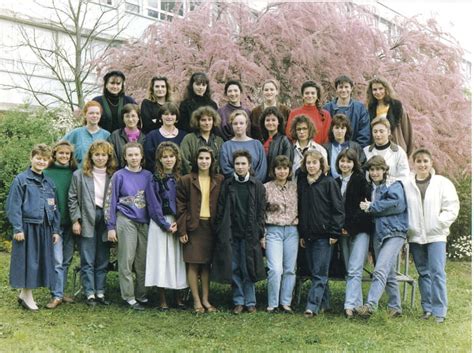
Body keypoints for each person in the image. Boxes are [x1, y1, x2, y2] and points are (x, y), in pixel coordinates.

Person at [403, 148, 459, 323]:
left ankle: (439, 311)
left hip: (436, 236)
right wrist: (409, 227)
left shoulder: (442, 183)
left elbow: (452, 206)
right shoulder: (406, 184)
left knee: (437, 272)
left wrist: (440, 223)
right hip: (416, 235)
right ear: (414, 164)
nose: (422, 164)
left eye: (425, 161)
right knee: (423, 272)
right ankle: (427, 309)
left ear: (431, 163)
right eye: (418, 161)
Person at [7, 144, 60, 311]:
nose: (41, 162)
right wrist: (17, 228)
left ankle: (25, 294)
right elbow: (13, 206)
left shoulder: (49, 182)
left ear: (48, 161)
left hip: (44, 227)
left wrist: (56, 230)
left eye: (44, 159)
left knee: (38, 261)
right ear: (32, 158)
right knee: (28, 261)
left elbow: (55, 208)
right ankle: (27, 296)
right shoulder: (21, 180)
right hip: (27, 227)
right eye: (38, 158)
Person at [212, 150, 266, 314]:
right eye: (237, 164)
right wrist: (221, 230)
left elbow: (261, 212)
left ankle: (250, 302)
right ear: (233, 166)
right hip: (231, 234)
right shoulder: (228, 185)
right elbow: (221, 209)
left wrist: (259, 231)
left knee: (248, 267)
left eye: (243, 163)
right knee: (234, 267)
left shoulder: (257, 186)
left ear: (249, 165)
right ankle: (238, 300)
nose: (240, 167)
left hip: (250, 234)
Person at [356, 155, 408, 317]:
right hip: (380, 234)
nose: (375, 172)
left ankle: (370, 306)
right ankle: (395, 307)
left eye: (378, 169)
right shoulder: (371, 188)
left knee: (380, 269)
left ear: (385, 170)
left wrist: (372, 206)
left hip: (395, 232)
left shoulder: (394, 184)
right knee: (388, 271)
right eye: (372, 169)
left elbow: (397, 205)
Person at [105, 142, 154, 310]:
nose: (134, 158)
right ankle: (129, 296)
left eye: (136, 154)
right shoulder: (119, 176)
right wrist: (110, 226)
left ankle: (142, 294)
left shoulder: (148, 175)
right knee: (126, 260)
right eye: (130, 155)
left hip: (144, 222)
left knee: (142, 261)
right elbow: (110, 202)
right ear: (125, 157)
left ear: (141, 156)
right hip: (126, 220)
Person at [69, 140, 116, 306]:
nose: (100, 158)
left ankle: (100, 292)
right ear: (91, 156)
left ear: (109, 157)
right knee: (87, 257)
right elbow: (72, 198)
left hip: (106, 218)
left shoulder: (114, 175)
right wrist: (76, 220)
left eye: (104, 155)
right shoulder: (80, 174)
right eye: (97, 155)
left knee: (102, 257)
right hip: (87, 216)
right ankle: (89, 293)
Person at [297, 150, 344, 317]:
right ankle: (325, 303)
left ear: (321, 165)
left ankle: (312, 306)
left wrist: (334, 233)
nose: (311, 166)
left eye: (314, 163)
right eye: (308, 163)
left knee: (319, 272)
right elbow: (302, 210)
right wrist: (302, 234)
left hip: (324, 236)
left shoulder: (329, 183)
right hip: (308, 235)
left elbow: (338, 210)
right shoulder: (303, 183)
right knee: (315, 271)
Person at [177, 147, 224, 313]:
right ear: (195, 161)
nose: (204, 161)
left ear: (212, 161)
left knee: (206, 265)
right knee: (193, 264)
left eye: (207, 158)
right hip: (193, 227)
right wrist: (182, 230)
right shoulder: (186, 180)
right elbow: (180, 207)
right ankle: (196, 301)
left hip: (210, 228)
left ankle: (206, 299)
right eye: (201, 158)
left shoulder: (219, 180)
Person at [145, 142, 188, 310]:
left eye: (171, 156)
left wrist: (180, 221)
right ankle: (162, 298)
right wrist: (165, 224)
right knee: (161, 258)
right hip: (160, 223)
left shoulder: (181, 178)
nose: (168, 160)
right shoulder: (154, 178)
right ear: (159, 159)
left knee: (177, 259)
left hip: (178, 222)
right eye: (165, 157)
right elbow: (153, 204)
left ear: (176, 158)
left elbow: (185, 201)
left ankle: (178, 296)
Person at [334, 148, 372, 318]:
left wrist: (350, 226)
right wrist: (340, 227)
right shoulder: (334, 181)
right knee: (350, 268)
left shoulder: (361, 180)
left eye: (348, 161)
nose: (345, 164)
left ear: (354, 163)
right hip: (342, 231)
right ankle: (357, 304)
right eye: (342, 161)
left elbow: (363, 207)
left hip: (360, 229)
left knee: (356, 268)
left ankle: (349, 306)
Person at [43, 141, 78, 309]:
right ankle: (56, 295)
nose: (64, 156)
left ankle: (60, 291)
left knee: (66, 260)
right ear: (55, 154)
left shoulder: (75, 174)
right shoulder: (47, 173)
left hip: (70, 223)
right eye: (61, 153)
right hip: (54, 225)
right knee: (56, 260)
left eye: (67, 154)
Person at [263, 156, 299, 313]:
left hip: (292, 230)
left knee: (290, 268)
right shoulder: (266, 188)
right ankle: (272, 303)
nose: (282, 171)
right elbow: (260, 212)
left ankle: (285, 302)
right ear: (274, 170)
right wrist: (262, 234)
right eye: (279, 168)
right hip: (273, 230)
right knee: (275, 269)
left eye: (285, 168)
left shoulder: (295, 187)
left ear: (289, 170)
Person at [366, 76, 413, 154]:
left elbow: (407, 131)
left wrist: (406, 153)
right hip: (378, 151)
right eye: (374, 89)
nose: (378, 92)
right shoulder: (370, 109)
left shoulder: (397, 107)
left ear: (386, 89)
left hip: (397, 149)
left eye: (380, 88)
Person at [220, 110, 267, 182]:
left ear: (246, 124)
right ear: (231, 125)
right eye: (235, 124)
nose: (238, 126)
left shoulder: (257, 144)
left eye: (241, 123)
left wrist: (253, 182)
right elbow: (225, 169)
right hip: (234, 186)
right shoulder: (226, 146)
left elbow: (262, 169)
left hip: (255, 187)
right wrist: (241, 180)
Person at [323, 75, 370, 147]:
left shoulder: (360, 108)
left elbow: (364, 133)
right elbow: (325, 132)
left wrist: (356, 151)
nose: (343, 90)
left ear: (351, 88)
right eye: (341, 87)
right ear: (336, 89)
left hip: (354, 152)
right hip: (332, 150)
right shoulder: (327, 108)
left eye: (346, 87)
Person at [64, 101, 111, 166]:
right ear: (85, 115)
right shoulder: (76, 133)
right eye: (91, 113)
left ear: (100, 115)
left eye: (97, 113)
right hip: (79, 173)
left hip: (100, 174)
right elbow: (59, 148)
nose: (95, 115)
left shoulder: (106, 135)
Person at [180, 106, 224, 175]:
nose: (207, 123)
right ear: (198, 122)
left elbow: (220, 162)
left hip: (214, 179)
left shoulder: (219, 141)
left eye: (209, 120)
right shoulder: (189, 139)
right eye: (203, 120)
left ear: (213, 121)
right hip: (193, 180)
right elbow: (184, 160)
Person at [286, 80, 331, 145]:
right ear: (302, 96)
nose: (310, 96)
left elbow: (327, 137)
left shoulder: (325, 115)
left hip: (319, 152)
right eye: (307, 93)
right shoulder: (294, 113)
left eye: (313, 93)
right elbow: (289, 135)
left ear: (317, 96)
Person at [144, 102, 186, 172]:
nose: (169, 117)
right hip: (158, 177)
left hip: (180, 177)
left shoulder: (184, 136)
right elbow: (149, 160)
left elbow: (185, 160)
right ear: (161, 117)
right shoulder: (152, 136)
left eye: (172, 114)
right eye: (166, 114)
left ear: (176, 117)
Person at [324, 113, 366, 179]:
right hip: (331, 184)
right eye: (337, 128)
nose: (339, 131)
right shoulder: (325, 148)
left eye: (342, 128)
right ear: (332, 129)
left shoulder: (355, 147)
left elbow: (361, 168)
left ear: (346, 130)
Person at [259, 107, 293, 181]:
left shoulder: (284, 141)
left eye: (273, 120)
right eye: (267, 120)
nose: (270, 123)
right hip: (262, 181)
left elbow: (287, 164)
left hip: (277, 181)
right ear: (263, 122)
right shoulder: (260, 141)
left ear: (278, 122)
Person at [288, 115, 327, 179]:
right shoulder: (290, 150)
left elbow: (324, 172)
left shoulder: (320, 150)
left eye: (304, 128)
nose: (301, 132)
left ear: (310, 130)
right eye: (298, 129)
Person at [108, 103, 146, 168]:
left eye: (133, 116)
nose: (130, 119)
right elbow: (111, 158)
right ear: (123, 118)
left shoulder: (145, 137)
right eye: (127, 116)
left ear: (138, 118)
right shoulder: (115, 136)